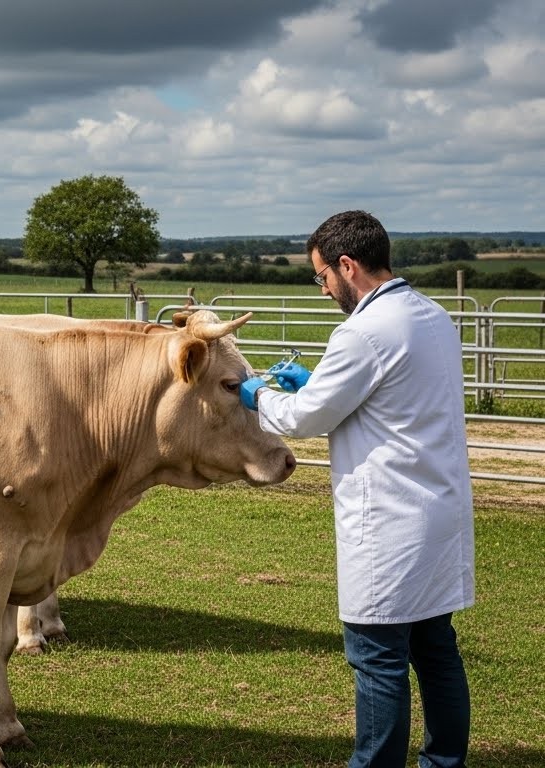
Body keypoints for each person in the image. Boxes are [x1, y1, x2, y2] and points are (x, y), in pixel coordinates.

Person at [239, 210, 474, 768]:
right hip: (438, 513)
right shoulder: (434, 316)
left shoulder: (362, 331)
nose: (324, 290)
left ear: (348, 265)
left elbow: (304, 418)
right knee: (436, 653)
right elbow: (387, 396)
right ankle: (445, 763)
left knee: (377, 660)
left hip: (390, 522)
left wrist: (257, 396)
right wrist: (317, 378)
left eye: (322, 277)